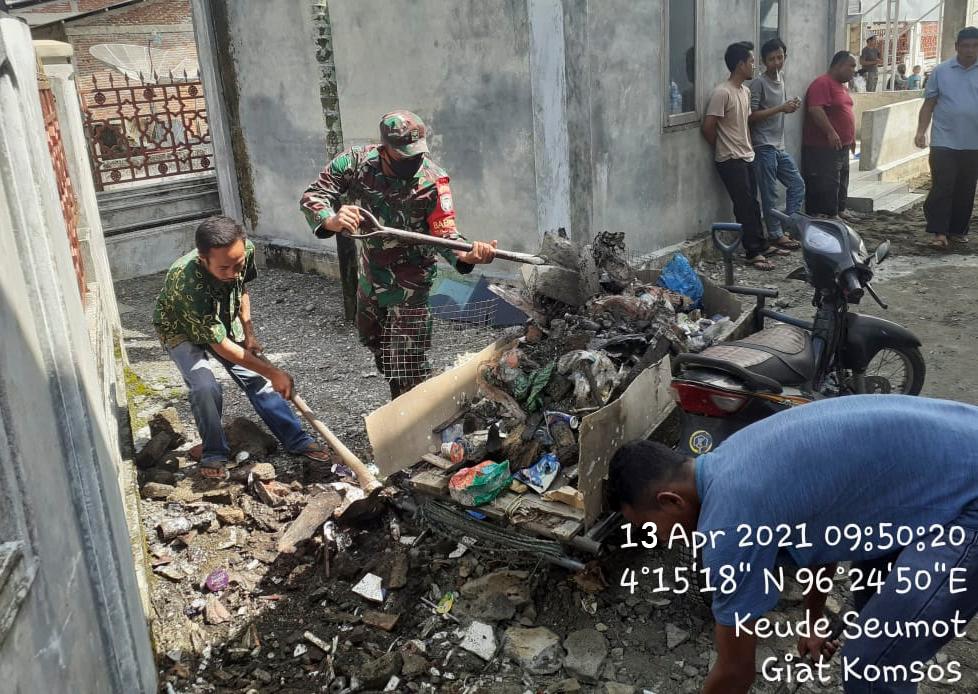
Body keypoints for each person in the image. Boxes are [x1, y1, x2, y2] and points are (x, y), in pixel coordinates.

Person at [608, 395, 978, 694]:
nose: (653, 538)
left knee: (870, 667)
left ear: (671, 501)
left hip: (968, 499)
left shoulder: (729, 526)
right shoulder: (729, 458)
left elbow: (736, 674)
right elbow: (824, 529)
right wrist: (813, 620)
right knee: (873, 606)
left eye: (648, 527)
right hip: (955, 452)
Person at [300, 110, 497, 398]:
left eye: (417, 153)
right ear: (384, 149)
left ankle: (414, 417)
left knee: (409, 360)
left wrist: (468, 255)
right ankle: (400, 389)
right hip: (371, 276)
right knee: (373, 340)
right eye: (404, 155)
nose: (413, 161)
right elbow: (315, 194)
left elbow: (445, 234)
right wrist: (330, 218)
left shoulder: (433, 181)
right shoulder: (356, 163)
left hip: (411, 280)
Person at [153, 217, 331, 479]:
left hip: (220, 318)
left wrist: (249, 333)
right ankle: (214, 452)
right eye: (224, 268)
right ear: (203, 259)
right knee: (205, 386)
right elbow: (221, 346)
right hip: (179, 328)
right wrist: (274, 371)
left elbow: (241, 287)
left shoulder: (242, 251)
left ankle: (296, 440)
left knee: (257, 378)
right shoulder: (185, 282)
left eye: (238, 264)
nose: (233, 271)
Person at [703, 41, 789, 271]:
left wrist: (747, 145)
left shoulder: (745, 91)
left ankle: (761, 245)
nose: (754, 65)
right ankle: (753, 252)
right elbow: (709, 126)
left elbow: (745, 124)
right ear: (740, 64)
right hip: (730, 158)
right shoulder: (722, 92)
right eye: (751, 61)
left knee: (753, 203)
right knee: (744, 205)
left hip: (747, 154)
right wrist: (722, 147)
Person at [914, 27, 978, 250]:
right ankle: (939, 232)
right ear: (957, 47)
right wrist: (921, 131)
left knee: (966, 187)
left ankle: (957, 230)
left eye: (975, 45)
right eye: (966, 45)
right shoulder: (941, 71)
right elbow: (929, 104)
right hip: (944, 141)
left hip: (973, 143)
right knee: (943, 186)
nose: (970, 50)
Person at [749, 37, 804, 251]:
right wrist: (781, 108)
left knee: (797, 185)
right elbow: (750, 116)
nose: (777, 62)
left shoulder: (782, 78)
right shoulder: (758, 83)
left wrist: (791, 104)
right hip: (762, 146)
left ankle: (787, 228)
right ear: (763, 62)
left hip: (779, 146)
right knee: (769, 193)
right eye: (771, 59)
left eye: (780, 57)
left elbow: (780, 107)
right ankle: (775, 234)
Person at [802, 51, 857, 219]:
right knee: (828, 181)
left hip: (843, 144)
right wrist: (831, 132)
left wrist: (852, 137)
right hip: (823, 146)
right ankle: (830, 213)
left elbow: (845, 112)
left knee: (842, 178)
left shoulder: (842, 87)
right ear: (839, 65)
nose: (854, 70)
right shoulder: (822, 83)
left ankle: (840, 209)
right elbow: (815, 109)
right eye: (852, 66)